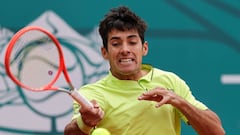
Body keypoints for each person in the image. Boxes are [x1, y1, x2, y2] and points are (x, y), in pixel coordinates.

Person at [64, 6, 225, 135]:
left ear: (144, 48)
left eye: (132, 42)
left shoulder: (170, 81)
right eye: (116, 43)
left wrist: (179, 101)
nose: (125, 50)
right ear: (104, 52)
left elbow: (217, 132)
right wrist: (86, 122)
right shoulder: (92, 94)